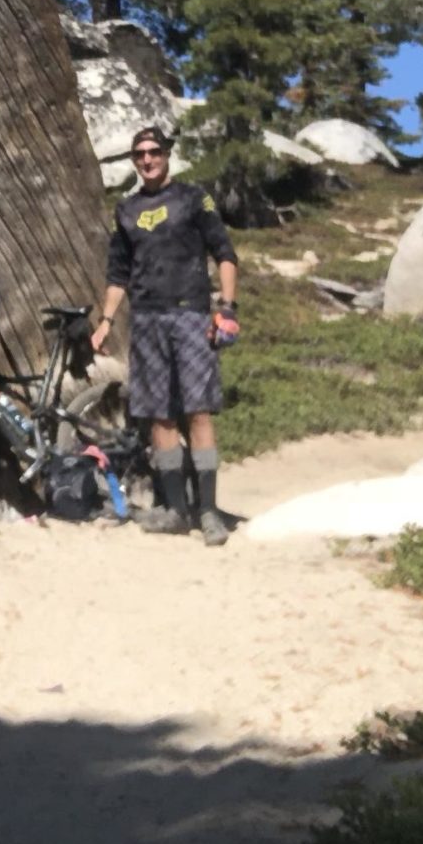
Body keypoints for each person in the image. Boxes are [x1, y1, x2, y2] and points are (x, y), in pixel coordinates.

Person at [89, 124, 240, 545]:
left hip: (192, 317)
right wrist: (106, 320)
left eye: (154, 152)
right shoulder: (126, 210)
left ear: (167, 153)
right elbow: (118, 274)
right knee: (160, 415)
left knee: (198, 411)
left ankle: (208, 511)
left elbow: (225, 254)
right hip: (147, 322)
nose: (147, 160)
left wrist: (227, 308)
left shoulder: (194, 198)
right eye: (140, 154)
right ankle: (175, 510)